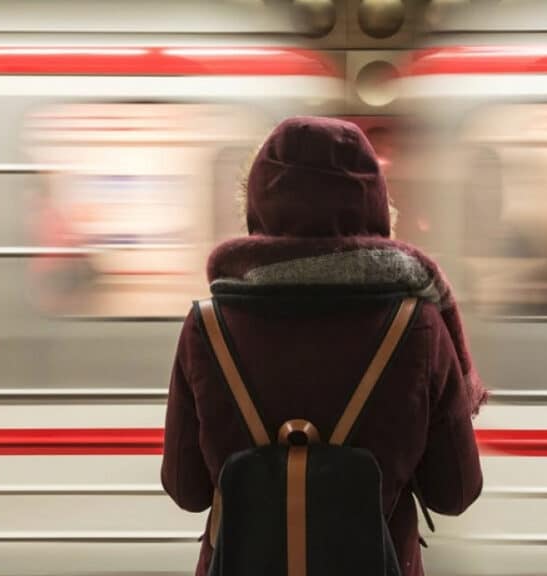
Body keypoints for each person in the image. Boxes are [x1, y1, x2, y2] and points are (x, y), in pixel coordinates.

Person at [161, 116, 486, 576]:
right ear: (374, 205)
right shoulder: (420, 326)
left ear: (258, 204)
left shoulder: (207, 326)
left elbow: (185, 488)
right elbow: (456, 491)